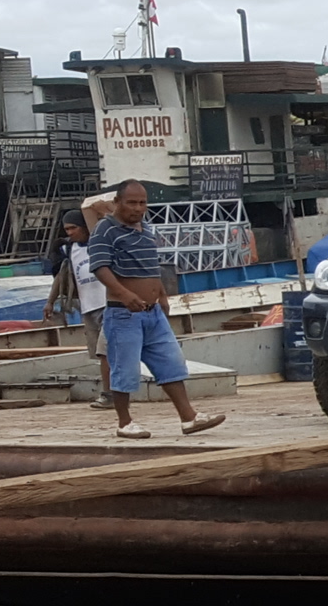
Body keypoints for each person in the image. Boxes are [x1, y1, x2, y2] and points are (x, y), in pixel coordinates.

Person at [88, 181, 227, 440]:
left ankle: (189, 417)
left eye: (142, 202)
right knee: (124, 369)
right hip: (123, 313)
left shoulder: (146, 230)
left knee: (171, 364)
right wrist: (124, 294)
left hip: (152, 313)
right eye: (132, 202)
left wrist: (161, 294)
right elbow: (100, 267)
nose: (138, 208)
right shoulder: (104, 230)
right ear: (117, 202)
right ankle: (125, 422)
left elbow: (151, 266)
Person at [40, 209, 107, 361]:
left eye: (73, 228)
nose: (70, 233)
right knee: (96, 352)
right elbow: (60, 277)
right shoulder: (69, 249)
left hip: (107, 304)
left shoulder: (100, 244)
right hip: (88, 307)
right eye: (67, 229)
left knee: (107, 349)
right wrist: (50, 302)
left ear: (84, 226)